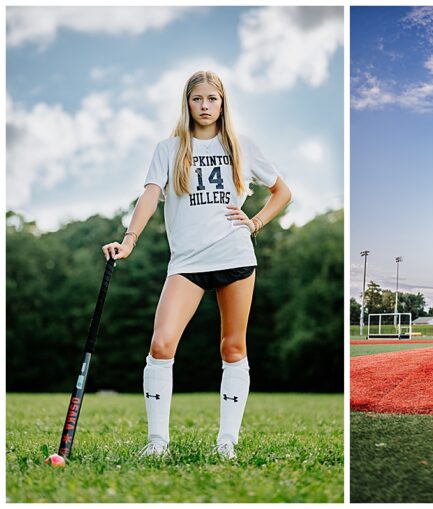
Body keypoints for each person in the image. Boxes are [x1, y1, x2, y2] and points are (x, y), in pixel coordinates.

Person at [102, 71, 292, 460]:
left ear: (223, 104)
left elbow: (282, 192)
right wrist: (129, 240)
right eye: (197, 99)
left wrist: (255, 222)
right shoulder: (169, 149)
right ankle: (157, 444)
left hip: (236, 256)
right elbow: (150, 196)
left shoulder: (241, 146)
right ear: (186, 103)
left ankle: (227, 443)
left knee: (233, 347)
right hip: (186, 263)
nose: (205, 106)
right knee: (162, 343)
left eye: (212, 99)